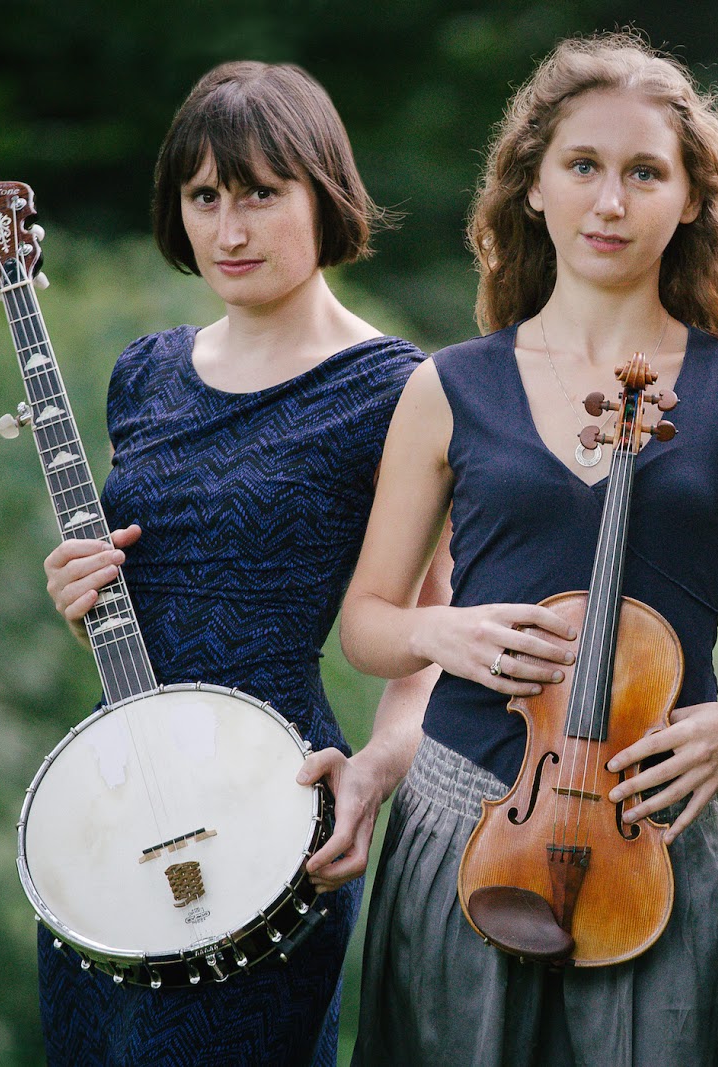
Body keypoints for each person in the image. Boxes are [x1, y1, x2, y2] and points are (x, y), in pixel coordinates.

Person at [337, 31, 718, 1066]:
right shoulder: (448, 386)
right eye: (583, 166)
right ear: (533, 185)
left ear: (689, 200)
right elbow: (368, 624)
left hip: (659, 827)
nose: (611, 202)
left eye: (645, 173)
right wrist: (441, 632)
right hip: (466, 814)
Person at [37, 61, 441, 1065]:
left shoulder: (398, 390)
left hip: (270, 820)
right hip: (118, 814)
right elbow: (147, 591)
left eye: (261, 193)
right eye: (204, 195)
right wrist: (81, 597)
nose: (229, 229)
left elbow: (433, 633)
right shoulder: (144, 374)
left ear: (324, 195)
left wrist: (378, 768)